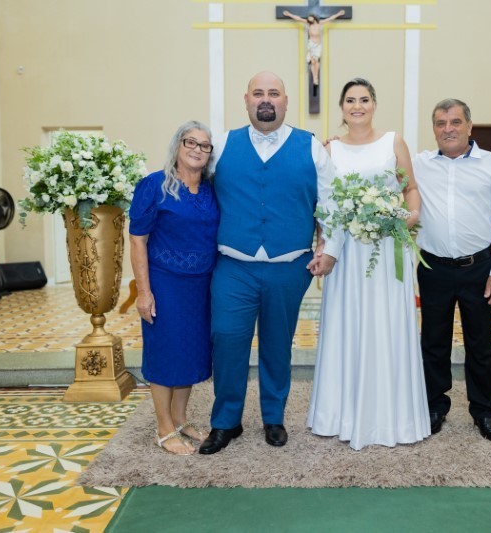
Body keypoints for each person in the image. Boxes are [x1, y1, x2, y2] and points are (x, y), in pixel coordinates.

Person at [199, 71, 344, 455]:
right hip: (233, 266)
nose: (266, 99)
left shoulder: (311, 147)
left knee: (278, 344)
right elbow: (198, 192)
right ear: (246, 100)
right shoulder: (222, 144)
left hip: (289, 266)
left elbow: (330, 202)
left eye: (274, 93)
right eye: (259, 93)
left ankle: (273, 417)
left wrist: (331, 248)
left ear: (285, 101)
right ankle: (225, 421)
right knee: (227, 340)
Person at [307, 77, 431, 450]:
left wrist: (410, 216)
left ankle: (393, 417)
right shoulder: (329, 149)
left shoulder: (393, 141)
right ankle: (340, 414)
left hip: (386, 250)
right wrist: (323, 242)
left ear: (374, 104)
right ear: (342, 108)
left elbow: (410, 188)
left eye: (364, 99)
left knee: (386, 324)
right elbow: (324, 202)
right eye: (350, 100)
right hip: (346, 253)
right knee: (348, 323)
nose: (357, 106)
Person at [414, 99, 491, 443]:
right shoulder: (420, 164)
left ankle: (484, 411)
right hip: (433, 268)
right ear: (434, 129)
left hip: (478, 269)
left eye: (455, 122)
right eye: (441, 123)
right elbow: (380, 167)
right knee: (433, 341)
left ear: (469, 126)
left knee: (480, 343)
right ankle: (434, 406)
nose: (448, 129)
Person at [129, 121, 220, 455]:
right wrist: (144, 291)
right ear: (177, 146)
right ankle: (164, 427)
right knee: (166, 351)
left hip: (202, 285)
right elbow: (137, 240)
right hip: (165, 283)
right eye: (190, 142)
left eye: (204, 145)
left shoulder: (211, 189)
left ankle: (180, 420)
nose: (197, 149)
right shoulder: (154, 185)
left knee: (190, 353)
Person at [282, 10, 346, 88]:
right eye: (308, 19)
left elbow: (330, 19)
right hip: (311, 44)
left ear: (313, 17)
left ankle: (316, 77)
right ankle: (315, 78)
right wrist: (289, 14)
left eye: (310, 18)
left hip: (317, 45)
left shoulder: (320, 24)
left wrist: (338, 14)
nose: (310, 19)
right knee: (313, 62)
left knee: (316, 61)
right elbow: (298, 19)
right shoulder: (308, 24)